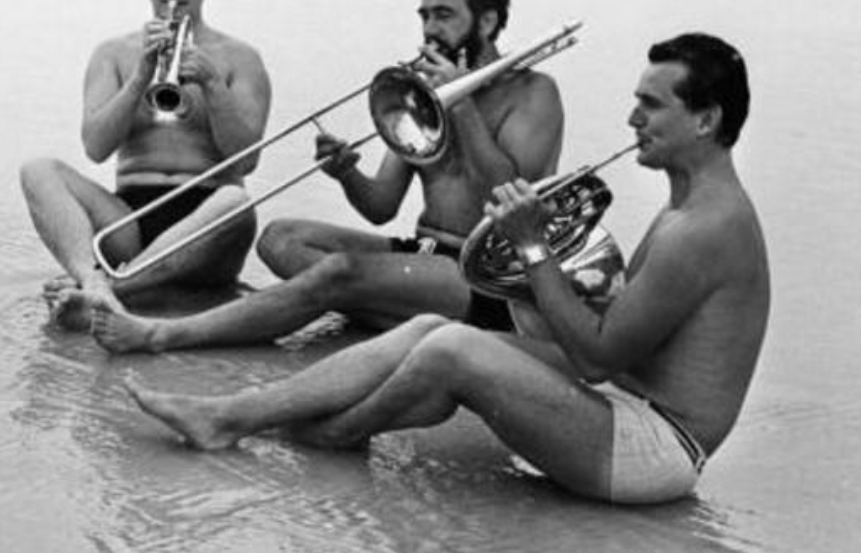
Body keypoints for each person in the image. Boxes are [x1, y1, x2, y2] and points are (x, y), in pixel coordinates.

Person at [126, 33, 768, 505]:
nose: (632, 119)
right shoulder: (688, 208)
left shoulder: (705, 228)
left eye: (651, 106)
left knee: (456, 350)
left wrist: (534, 246)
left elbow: (598, 358)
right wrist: (538, 265)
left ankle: (329, 432)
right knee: (431, 329)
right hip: (624, 400)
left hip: (653, 449)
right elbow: (618, 331)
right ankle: (236, 412)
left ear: (706, 119)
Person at [92, 0, 562, 353]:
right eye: (424, 15)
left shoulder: (534, 93)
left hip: (480, 271)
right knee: (280, 238)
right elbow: (380, 207)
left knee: (337, 272)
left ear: (487, 21)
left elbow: (508, 196)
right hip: (421, 251)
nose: (429, 28)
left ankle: (164, 334)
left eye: (444, 15)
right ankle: (390, 310)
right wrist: (346, 174)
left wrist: (459, 105)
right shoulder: (420, 92)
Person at [20, 0, 272, 330]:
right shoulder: (114, 53)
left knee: (236, 201)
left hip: (209, 220)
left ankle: (109, 291)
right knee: (38, 170)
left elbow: (246, 162)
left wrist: (211, 85)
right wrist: (140, 77)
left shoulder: (241, 58)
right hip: (131, 221)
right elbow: (96, 147)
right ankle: (92, 280)